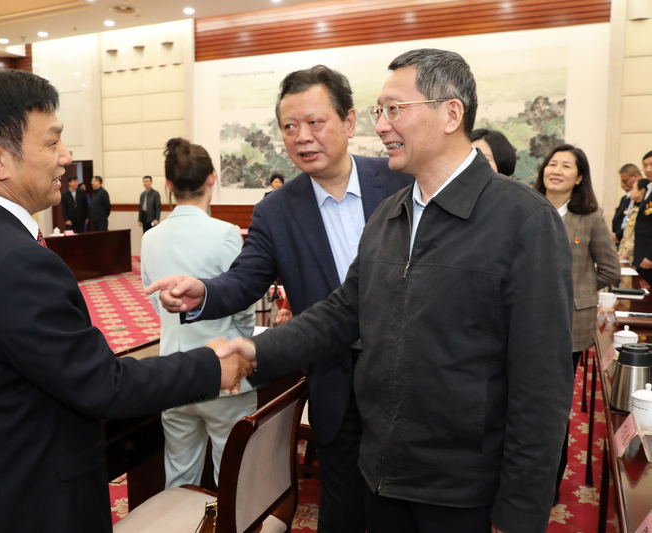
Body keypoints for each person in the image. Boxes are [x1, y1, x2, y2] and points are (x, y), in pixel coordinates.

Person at [212, 49, 574, 533]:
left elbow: (542, 385)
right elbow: (342, 313)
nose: (381, 126)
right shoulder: (390, 214)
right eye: (379, 111)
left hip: (463, 491)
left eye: (395, 109)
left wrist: (520, 513)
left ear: (451, 114)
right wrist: (258, 348)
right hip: (382, 477)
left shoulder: (523, 220)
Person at [0, 68, 251, 533]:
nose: (67, 157)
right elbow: (101, 384)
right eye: (52, 142)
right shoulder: (15, 259)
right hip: (24, 505)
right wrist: (211, 365)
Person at [146, 64, 413, 533]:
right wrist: (203, 292)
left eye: (315, 122)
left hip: (408, 376)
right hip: (335, 377)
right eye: (289, 127)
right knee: (342, 506)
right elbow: (245, 279)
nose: (302, 136)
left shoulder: (398, 181)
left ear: (349, 122)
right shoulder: (277, 209)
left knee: (406, 507)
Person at [141, 137, 257, 489]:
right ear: (212, 178)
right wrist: (244, 345)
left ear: (168, 185)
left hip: (174, 371)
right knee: (233, 478)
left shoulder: (151, 237)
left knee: (179, 475)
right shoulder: (225, 234)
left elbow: (157, 302)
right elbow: (242, 303)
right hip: (223, 367)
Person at [533, 144, 620, 504]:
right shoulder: (526, 207)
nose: (556, 170)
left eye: (566, 166)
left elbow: (610, 270)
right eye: (552, 163)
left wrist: (578, 291)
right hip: (522, 322)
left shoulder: (590, 216)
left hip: (567, 327)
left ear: (579, 177)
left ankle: (549, 483)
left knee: (553, 407)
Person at [619, 178, 648, 262]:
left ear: (642, 191)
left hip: (634, 254)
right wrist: (621, 251)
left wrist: (626, 253)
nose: (631, 191)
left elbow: (635, 236)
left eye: (633, 188)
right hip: (626, 254)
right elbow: (627, 234)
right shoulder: (634, 208)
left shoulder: (644, 212)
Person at [612, 164, 641, 243]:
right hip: (622, 239)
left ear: (635, 176)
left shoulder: (642, 195)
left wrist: (619, 236)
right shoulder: (625, 198)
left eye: (625, 181)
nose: (623, 184)